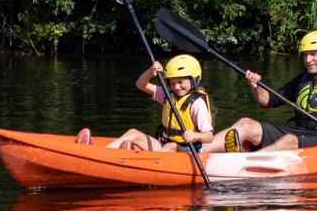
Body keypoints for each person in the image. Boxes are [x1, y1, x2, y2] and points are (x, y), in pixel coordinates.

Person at [204, 30, 317, 153]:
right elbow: (267, 102)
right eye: (305, 55)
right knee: (245, 124)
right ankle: (199, 152)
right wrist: (255, 86)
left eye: (314, 54)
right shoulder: (302, 80)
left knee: (289, 140)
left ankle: (245, 162)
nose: (308, 60)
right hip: (299, 133)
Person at [75, 54, 215, 152]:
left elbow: (209, 137)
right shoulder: (168, 95)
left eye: (180, 82)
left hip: (187, 152)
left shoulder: (197, 104)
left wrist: (196, 135)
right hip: (164, 144)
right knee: (133, 133)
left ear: (194, 81)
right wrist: (150, 71)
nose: (176, 87)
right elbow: (141, 84)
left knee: (171, 146)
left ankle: (139, 163)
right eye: (172, 83)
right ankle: (100, 153)